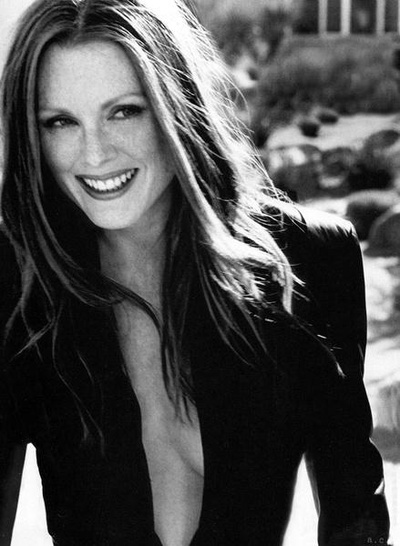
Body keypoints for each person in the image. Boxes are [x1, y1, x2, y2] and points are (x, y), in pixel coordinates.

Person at [0, 0, 390, 545]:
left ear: (177, 105)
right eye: (60, 121)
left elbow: (355, 517)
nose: (94, 154)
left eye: (124, 111)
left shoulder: (309, 260)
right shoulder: (16, 286)